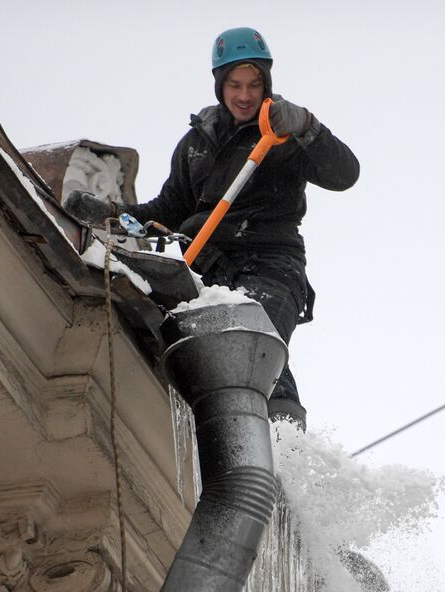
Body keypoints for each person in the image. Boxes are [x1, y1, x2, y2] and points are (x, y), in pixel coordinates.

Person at [65, 26, 360, 428]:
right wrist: (112, 214)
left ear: (266, 83)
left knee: (253, 340)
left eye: (254, 84)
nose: (244, 95)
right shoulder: (196, 144)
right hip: (208, 272)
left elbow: (344, 173)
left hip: (270, 267)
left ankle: (283, 450)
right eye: (235, 84)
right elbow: (167, 208)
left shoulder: (282, 133)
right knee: (218, 356)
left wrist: (308, 127)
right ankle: (230, 443)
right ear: (220, 85)